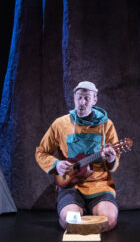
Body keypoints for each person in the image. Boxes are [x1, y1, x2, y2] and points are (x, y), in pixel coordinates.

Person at [35, 81, 121, 231]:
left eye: (87, 98)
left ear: (95, 100)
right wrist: (57, 164)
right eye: (79, 97)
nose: (82, 102)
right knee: (69, 221)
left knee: (109, 220)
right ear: (74, 98)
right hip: (71, 185)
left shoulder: (107, 125)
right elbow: (41, 152)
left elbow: (115, 159)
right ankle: (79, 212)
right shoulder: (60, 124)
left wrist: (111, 159)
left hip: (99, 184)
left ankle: (89, 214)